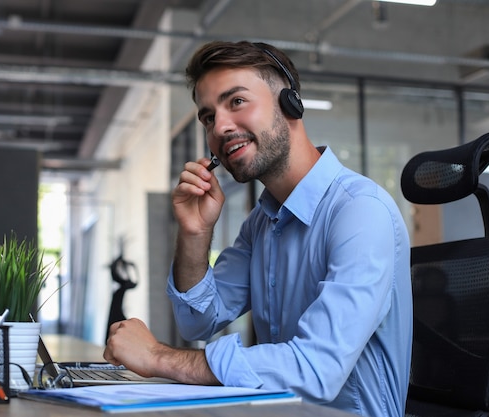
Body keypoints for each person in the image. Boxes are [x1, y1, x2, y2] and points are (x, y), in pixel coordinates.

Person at [104, 40, 413, 417]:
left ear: (290, 103)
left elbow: (316, 370)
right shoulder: (262, 222)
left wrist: (157, 357)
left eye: (236, 101)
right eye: (207, 117)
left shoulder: (360, 212)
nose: (220, 127)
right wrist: (195, 234)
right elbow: (197, 321)